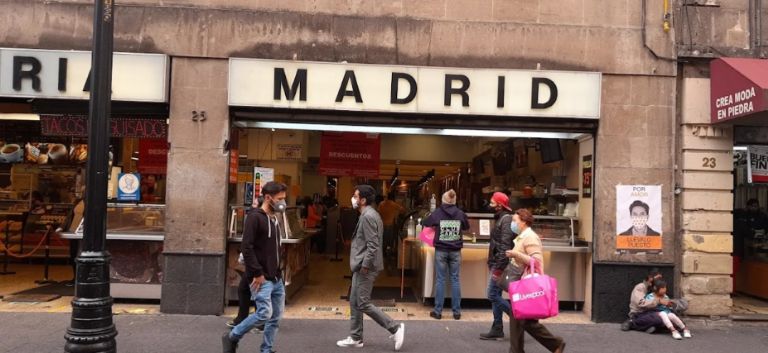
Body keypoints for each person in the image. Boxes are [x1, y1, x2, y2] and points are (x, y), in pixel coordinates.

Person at [337, 185, 405, 351]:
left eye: (355, 196)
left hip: (365, 267)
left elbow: (373, 245)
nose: (353, 198)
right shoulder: (370, 214)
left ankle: (395, 328)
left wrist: (365, 266)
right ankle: (355, 337)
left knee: (363, 303)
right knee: (354, 301)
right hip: (361, 266)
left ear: (363, 200)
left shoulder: (368, 216)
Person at [222, 182, 288, 353]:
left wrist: (278, 272)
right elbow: (247, 247)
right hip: (261, 278)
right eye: (280, 199)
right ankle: (233, 336)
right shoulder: (255, 217)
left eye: (284, 198)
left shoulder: (274, 218)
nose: (283, 202)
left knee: (274, 318)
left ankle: (266, 349)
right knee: (264, 314)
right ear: (268, 198)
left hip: (276, 278)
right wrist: (257, 273)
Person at [505, 208, 566, 353]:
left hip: (529, 285)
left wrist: (516, 254)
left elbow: (536, 261)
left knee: (525, 320)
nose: (512, 224)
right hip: (523, 283)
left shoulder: (530, 237)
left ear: (524, 222)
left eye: (515, 221)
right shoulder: (522, 236)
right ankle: (517, 350)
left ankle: (555, 344)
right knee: (518, 316)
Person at [422, 189, 470, 320]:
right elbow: (467, 226)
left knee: (440, 280)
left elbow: (425, 222)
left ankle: (438, 311)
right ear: (454, 201)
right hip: (455, 251)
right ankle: (456, 312)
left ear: (443, 200)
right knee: (455, 280)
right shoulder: (460, 213)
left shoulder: (438, 213)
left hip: (441, 250)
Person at [479, 192, 516, 340]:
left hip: (499, 264)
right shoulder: (501, 218)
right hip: (496, 262)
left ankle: (518, 317)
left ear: (500, 205)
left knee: (492, 294)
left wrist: (498, 268)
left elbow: (505, 246)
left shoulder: (505, 220)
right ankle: (497, 328)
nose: (490, 205)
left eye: (492, 203)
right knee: (496, 296)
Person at [621, 268, 666, 333]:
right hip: (638, 314)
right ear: (650, 277)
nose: (659, 281)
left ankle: (647, 327)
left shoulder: (654, 288)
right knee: (658, 319)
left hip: (649, 312)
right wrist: (658, 301)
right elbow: (641, 303)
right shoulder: (640, 287)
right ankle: (632, 322)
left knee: (666, 316)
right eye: (657, 278)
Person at [378, 192, 405, 256]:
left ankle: (383, 253)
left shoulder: (381, 204)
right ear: (393, 198)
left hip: (382, 225)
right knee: (390, 240)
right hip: (390, 225)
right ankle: (389, 253)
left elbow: (378, 212)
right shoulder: (394, 204)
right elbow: (403, 210)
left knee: (383, 240)